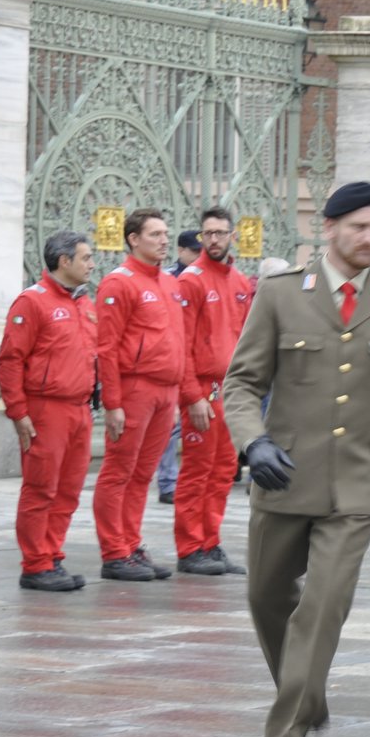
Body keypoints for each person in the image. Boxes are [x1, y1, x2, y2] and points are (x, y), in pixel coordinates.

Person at [224, 181, 370, 737]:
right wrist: (254, 441)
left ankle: (285, 736)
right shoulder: (278, 297)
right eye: (359, 228)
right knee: (266, 598)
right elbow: (240, 384)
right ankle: (308, 695)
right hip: (285, 473)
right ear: (329, 229)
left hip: (358, 485)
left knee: (322, 607)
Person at [0, 230, 98, 592]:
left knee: (68, 490)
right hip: (46, 409)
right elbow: (10, 361)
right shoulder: (32, 302)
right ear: (64, 261)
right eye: (85, 258)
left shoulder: (84, 303)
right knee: (40, 488)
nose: (91, 264)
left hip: (79, 409)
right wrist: (19, 413)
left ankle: (52, 555)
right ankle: (35, 564)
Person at [92, 208, 185, 582]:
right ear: (133, 239)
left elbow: (179, 342)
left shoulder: (169, 283)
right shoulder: (119, 283)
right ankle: (114, 552)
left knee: (143, 473)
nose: (164, 240)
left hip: (165, 391)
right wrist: (112, 403)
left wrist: (177, 395)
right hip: (134, 389)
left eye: (165, 233)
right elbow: (107, 349)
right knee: (118, 471)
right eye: (155, 234)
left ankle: (131, 545)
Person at [173, 206, 250, 576]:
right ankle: (190, 548)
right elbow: (182, 343)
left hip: (231, 391)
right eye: (208, 234)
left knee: (222, 470)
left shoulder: (239, 281)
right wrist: (192, 396)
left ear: (232, 235)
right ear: (201, 237)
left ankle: (210, 541)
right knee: (197, 469)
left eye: (220, 233)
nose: (214, 239)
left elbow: (246, 338)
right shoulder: (191, 280)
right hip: (203, 389)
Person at [155, 229, 202, 504]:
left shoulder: (203, 278)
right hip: (173, 362)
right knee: (171, 429)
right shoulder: (170, 278)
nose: (198, 257)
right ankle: (168, 481)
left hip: (196, 360)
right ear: (181, 250)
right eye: (194, 251)